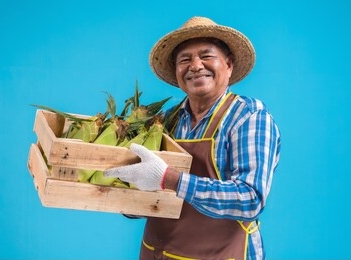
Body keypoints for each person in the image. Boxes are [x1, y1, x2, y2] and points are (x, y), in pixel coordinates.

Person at [104, 16, 281, 260]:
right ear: (177, 73)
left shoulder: (248, 117)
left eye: (206, 56)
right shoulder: (165, 121)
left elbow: (250, 199)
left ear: (228, 64)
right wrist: (125, 193)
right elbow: (150, 198)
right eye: (185, 60)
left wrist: (170, 179)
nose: (195, 65)